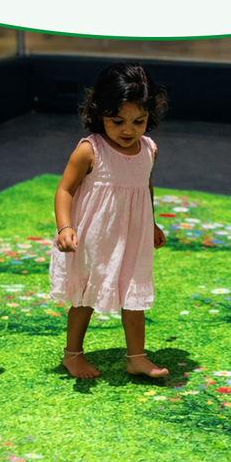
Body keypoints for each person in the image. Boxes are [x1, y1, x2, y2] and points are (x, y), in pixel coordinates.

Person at [50, 62, 169, 379]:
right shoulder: (90, 150)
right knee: (85, 297)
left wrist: (152, 223)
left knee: (134, 295)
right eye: (117, 121)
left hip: (134, 237)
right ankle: (72, 354)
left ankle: (137, 357)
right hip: (95, 240)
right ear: (99, 112)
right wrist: (65, 227)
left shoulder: (149, 149)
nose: (128, 130)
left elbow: (145, 186)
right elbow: (64, 190)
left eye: (139, 121)